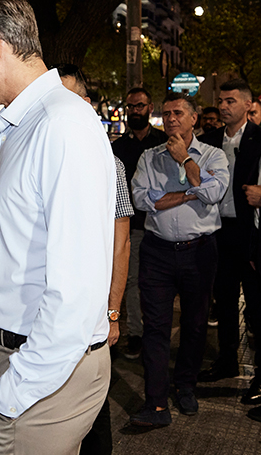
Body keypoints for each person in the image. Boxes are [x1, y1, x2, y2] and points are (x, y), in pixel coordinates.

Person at [0, 0, 115, 454]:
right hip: (26, 362)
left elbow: (77, 287)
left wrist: (12, 393)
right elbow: (14, 248)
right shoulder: (27, 125)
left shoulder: (61, 125)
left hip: (43, 373)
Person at [129, 93, 229, 427]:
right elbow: (142, 199)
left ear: (193, 118)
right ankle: (156, 403)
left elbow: (214, 193)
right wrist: (190, 192)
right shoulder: (149, 157)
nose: (171, 118)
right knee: (155, 327)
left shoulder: (213, 154)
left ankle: (186, 385)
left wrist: (186, 159)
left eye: (178, 113)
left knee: (195, 324)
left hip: (199, 251)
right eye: (167, 113)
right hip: (157, 251)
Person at [58, 64, 134, 455]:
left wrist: (112, 312)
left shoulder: (110, 164)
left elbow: (121, 243)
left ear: (86, 105)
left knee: (91, 414)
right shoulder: (37, 156)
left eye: (68, 98)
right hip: (45, 316)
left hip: (89, 315)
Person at [197, 79, 261, 405]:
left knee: (256, 306)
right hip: (217, 230)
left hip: (250, 233)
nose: (223, 106)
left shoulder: (259, 139)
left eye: (231, 101)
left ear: (248, 105)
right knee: (223, 298)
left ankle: (260, 376)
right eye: (221, 101)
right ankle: (226, 359)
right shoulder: (208, 141)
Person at [111, 87, 169, 359]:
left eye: (140, 106)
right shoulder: (117, 148)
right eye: (131, 106)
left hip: (161, 224)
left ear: (150, 107)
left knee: (159, 283)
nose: (135, 111)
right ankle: (135, 333)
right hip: (131, 225)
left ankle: (157, 334)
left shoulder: (164, 143)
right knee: (131, 281)